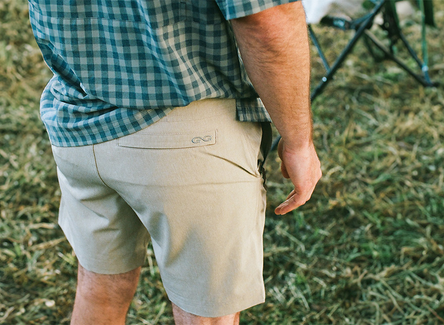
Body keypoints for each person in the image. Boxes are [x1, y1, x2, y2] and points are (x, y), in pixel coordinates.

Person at [27, 0, 322, 323]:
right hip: (187, 132)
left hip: (78, 119)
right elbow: (265, 20)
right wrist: (298, 142)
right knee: (206, 315)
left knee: (100, 288)